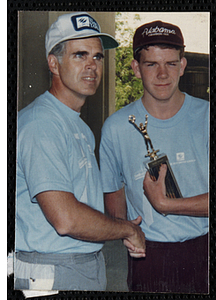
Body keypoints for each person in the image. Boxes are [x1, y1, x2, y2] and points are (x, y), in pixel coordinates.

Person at [14, 12, 146, 292]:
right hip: (51, 270)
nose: (92, 66)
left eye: (97, 57)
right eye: (79, 55)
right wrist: (127, 228)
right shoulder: (42, 123)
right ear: (54, 63)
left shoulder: (79, 126)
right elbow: (66, 219)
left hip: (80, 265)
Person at [100, 20, 209, 293]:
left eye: (171, 63)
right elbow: (114, 202)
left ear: (183, 65)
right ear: (136, 69)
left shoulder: (208, 117)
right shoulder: (115, 128)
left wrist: (166, 204)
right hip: (149, 256)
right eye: (151, 64)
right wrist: (126, 229)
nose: (163, 74)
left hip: (206, 246)